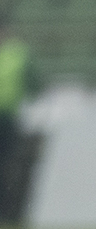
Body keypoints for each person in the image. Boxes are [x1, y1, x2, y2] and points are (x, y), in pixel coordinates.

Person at [0, 14, 39, 225]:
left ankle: (8, 212)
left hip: (7, 118)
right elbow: (35, 86)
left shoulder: (19, 53)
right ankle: (8, 213)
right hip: (8, 117)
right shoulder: (19, 53)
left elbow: (35, 85)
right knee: (8, 166)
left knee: (8, 167)